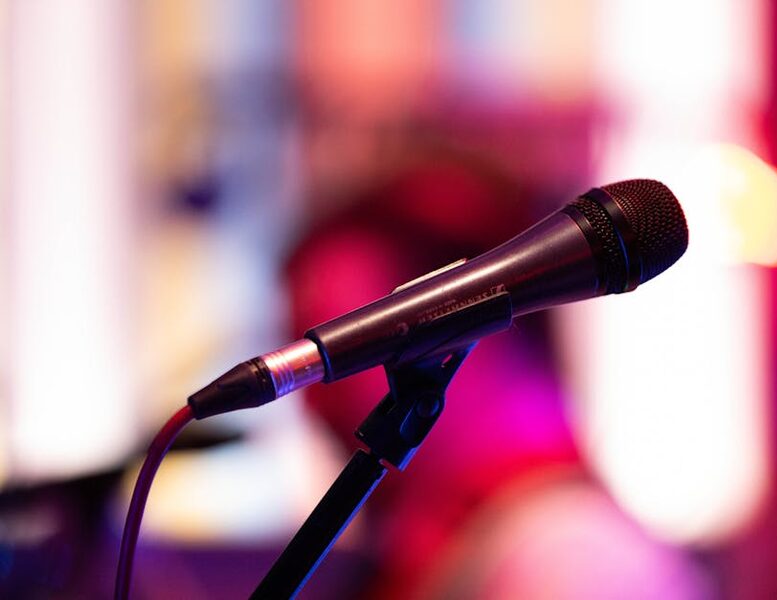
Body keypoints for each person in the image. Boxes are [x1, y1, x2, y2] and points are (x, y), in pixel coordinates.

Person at [283, 146, 708, 599]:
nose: (313, 398)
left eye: (349, 357)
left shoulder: (573, 558)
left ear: (478, 330)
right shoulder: (453, 538)